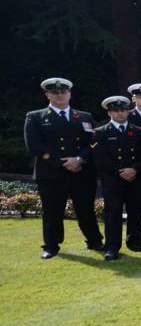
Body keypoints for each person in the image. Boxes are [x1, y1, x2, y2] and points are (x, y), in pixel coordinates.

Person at [23, 77, 103, 259]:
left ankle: (95, 241)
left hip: (81, 171)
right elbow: (34, 145)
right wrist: (62, 162)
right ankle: (51, 246)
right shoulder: (35, 117)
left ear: (69, 94)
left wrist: (79, 159)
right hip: (51, 172)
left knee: (86, 209)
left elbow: (94, 143)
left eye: (63, 92)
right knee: (52, 211)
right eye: (55, 92)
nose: (59, 95)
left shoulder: (84, 116)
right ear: (47, 95)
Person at [91, 95, 141, 261]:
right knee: (113, 214)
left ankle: (134, 242)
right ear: (109, 113)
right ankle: (112, 247)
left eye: (123, 110)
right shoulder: (100, 133)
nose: (120, 113)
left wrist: (134, 169)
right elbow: (99, 159)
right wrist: (120, 171)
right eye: (116, 110)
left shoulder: (138, 132)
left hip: (135, 178)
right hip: (113, 180)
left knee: (135, 212)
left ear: (128, 112)